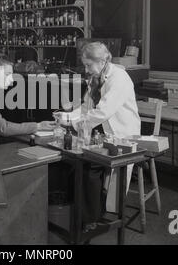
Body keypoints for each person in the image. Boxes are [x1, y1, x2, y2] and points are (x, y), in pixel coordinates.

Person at [56, 42, 141, 230]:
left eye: (88, 65)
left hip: (123, 134)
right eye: (84, 65)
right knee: (78, 164)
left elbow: (102, 112)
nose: (86, 70)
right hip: (103, 132)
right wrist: (66, 115)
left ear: (102, 61)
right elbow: (86, 107)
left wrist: (72, 123)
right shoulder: (96, 77)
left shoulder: (119, 78)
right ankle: (85, 213)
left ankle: (90, 218)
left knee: (89, 166)